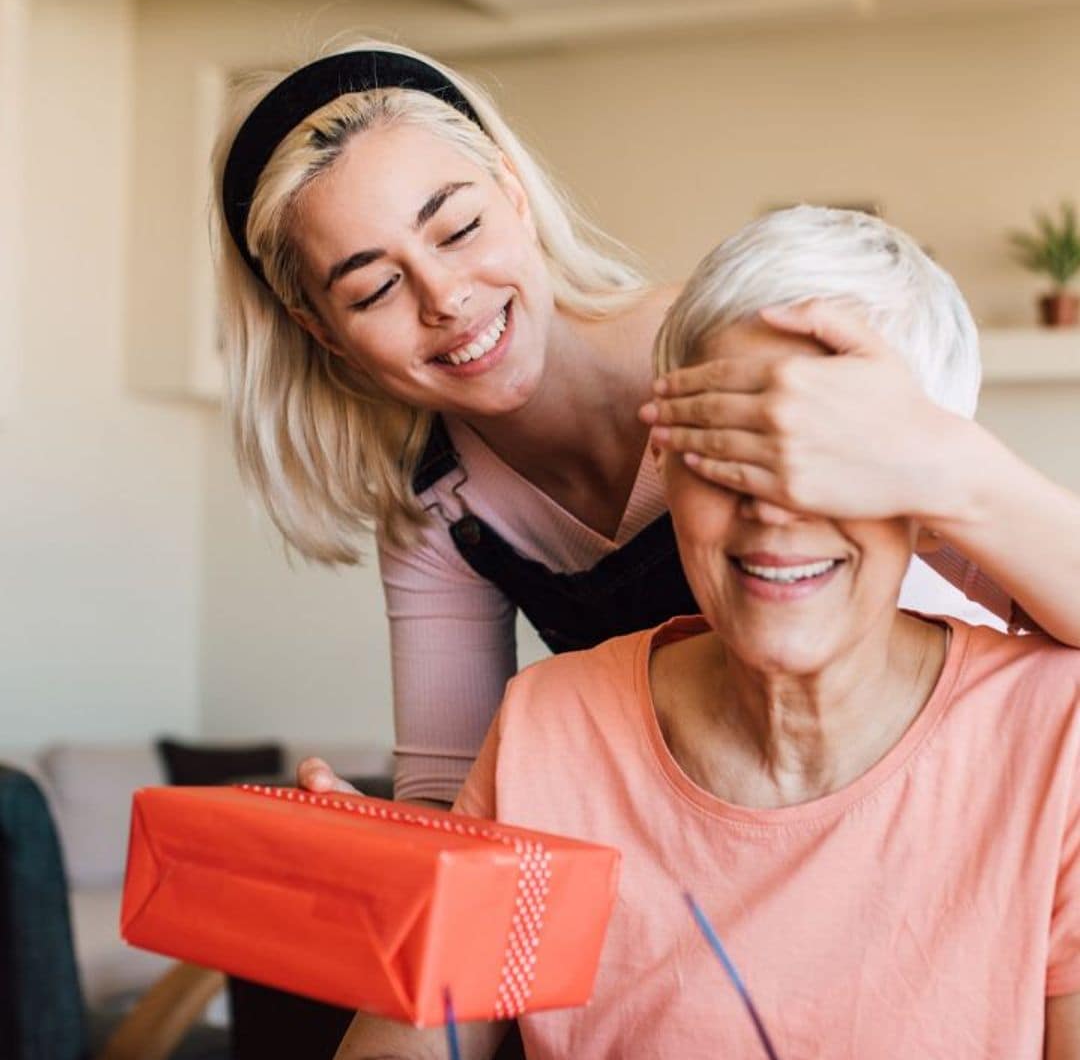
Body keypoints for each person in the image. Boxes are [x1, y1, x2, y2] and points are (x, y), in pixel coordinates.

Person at [214, 40, 1080, 809]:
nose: (447, 299)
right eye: (374, 289)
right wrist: (394, 844)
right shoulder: (443, 504)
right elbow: (459, 793)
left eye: (460, 228)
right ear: (324, 330)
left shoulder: (745, 351)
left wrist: (934, 458)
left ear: (514, 196)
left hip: (936, 795)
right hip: (717, 832)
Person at [331, 207, 1080, 1060]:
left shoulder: (1055, 736)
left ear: (936, 497)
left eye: (834, 460)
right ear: (665, 459)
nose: (774, 507)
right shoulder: (551, 726)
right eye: (730, 449)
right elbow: (409, 1048)